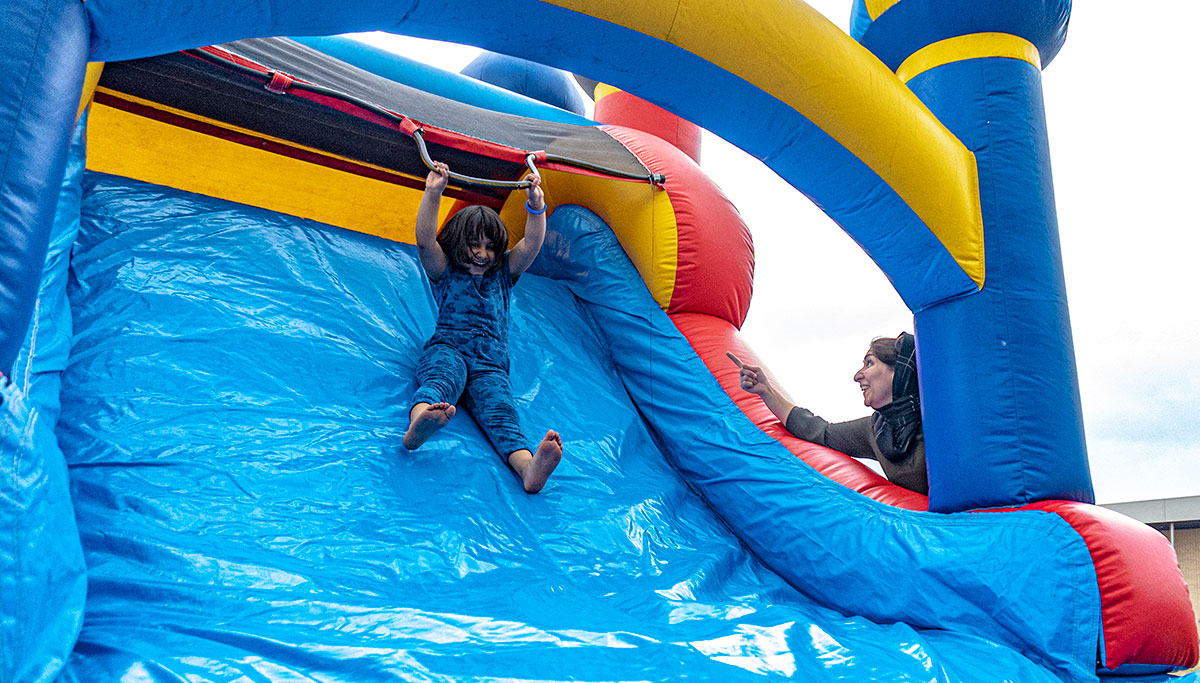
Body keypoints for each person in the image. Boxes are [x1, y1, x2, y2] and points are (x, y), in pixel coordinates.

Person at [403, 161, 563, 494]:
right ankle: (420, 420)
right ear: (457, 244)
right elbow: (424, 242)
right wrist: (433, 193)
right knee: (440, 380)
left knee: (501, 411)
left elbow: (531, 245)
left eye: (490, 247)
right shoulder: (446, 270)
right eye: (474, 245)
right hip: (449, 347)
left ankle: (528, 468)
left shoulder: (503, 272)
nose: (481, 253)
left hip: (491, 364)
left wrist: (536, 207)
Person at [727, 333, 927, 495]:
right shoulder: (876, 430)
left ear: (898, 371)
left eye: (869, 363)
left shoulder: (937, 414)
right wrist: (766, 391)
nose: (857, 376)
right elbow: (818, 431)